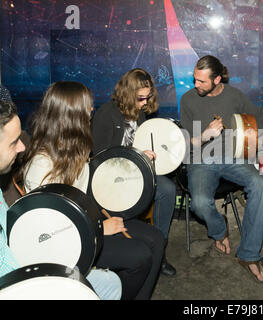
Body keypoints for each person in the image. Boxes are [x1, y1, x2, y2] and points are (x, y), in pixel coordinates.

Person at [18, 81, 164, 300]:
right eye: (88, 106)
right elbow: (50, 231)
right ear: (72, 114)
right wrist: (100, 228)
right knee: (140, 256)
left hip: (87, 221)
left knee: (157, 239)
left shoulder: (75, 146)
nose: (92, 109)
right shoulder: (41, 165)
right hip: (68, 243)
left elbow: (85, 192)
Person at [0, 99, 121, 300]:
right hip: (21, 284)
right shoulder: (41, 165)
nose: (22, 147)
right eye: (14, 142)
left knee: (111, 283)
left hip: (29, 268)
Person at [180, 55, 263, 282]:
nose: (195, 85)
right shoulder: (188, 100)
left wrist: (247, 131)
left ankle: (249, 254)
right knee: (199, 203)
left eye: (201, 81)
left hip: (233, 158)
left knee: (259, 182)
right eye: (194, 79)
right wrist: (205, 135)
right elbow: (185, 141)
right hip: (201, 159)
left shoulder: (234, 95)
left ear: (217, 79)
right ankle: (220, 230)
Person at [91, 68, 177, 277]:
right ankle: (128, 251)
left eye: (147, 98)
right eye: (140, 98)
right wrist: (135, 154)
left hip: (135, 171)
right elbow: (100, 159)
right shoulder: (106, 114)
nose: (144, 104)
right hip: (112, 177)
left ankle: (160, 248)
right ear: (127, 94)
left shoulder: (139, 114)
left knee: (167, 189)